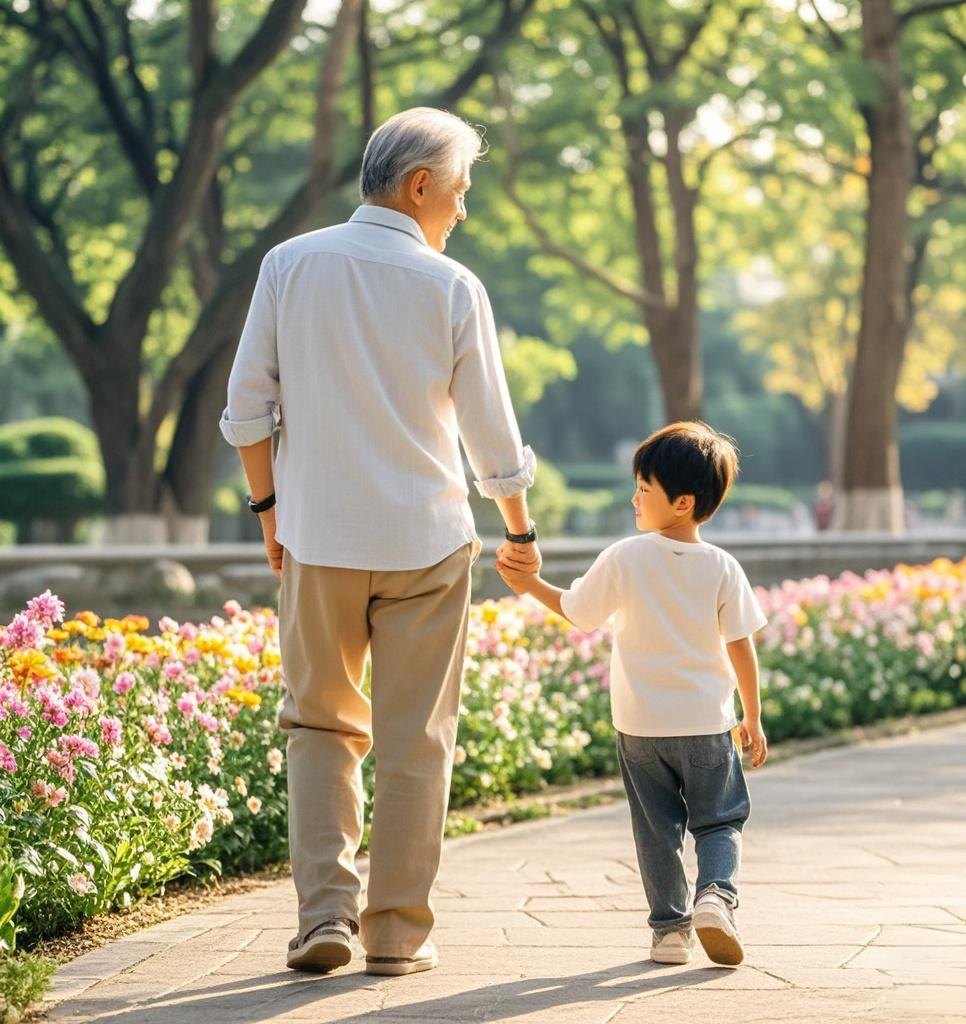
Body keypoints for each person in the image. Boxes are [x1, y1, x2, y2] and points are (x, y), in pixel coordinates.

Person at [220, 107, 541, 976]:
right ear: (421, 185)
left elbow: (247, 407)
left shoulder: (290, 264)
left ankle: (324, 920)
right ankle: (396, 936)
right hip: (428, 545)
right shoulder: (450, 286)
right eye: (461, 191)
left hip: (318, 537)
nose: (463, 211)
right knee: (416, 741)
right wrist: (520, 531)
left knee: (319, 726)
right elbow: (493, 437)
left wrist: (270, 514)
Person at [497, 421, 768, 967]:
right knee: (719, 821)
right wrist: (752, 717)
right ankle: (716, 894)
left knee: (655, 830)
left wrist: (528, 585)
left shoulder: (624, 556)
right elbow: (740, 647)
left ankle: (669, 932)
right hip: (706, 725)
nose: (634, 498)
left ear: (683, 502)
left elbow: (577, 611)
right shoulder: (722, 567)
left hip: (640, 727)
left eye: (644, 490)